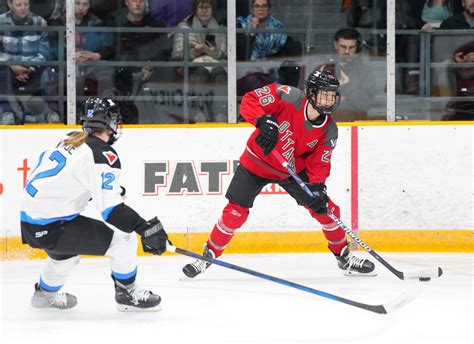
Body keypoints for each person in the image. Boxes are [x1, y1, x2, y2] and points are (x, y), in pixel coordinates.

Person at [182, 70, 376, 279]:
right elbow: (250, 99)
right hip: (256, 162)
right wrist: (263, 120)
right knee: (235, 214)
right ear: (310, 92)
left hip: (290, 170)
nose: (328, 100)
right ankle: (208, 255)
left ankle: (344, 257)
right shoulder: (287, 96)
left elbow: (319, 163)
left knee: (327, 210)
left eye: (332, 95)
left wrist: (318, 186)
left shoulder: (329, 130)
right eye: (323, 94)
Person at [20, 96, 169, 311]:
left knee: (65, 256)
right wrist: (144, 228)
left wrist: (103, 192)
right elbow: (112, 212)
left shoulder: (70, 138)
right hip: (53, 225)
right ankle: (127, 294)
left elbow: (69, 180)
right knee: (124, 240)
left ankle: (44, 296)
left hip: (30, 223)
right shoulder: (103, 154)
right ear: (109, 122)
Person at [0, 0, 58, 124]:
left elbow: (44, 51)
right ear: (10, 4)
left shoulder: (40, 22)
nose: (23, 8)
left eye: (26, 4)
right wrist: (12, 65)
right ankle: (8, 112)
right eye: (19, 4)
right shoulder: (0, 21)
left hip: (33, 67)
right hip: (9, 66)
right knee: (3, 71)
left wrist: (30, 68)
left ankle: (51, 113)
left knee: (49, 70)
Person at [171, 0, 227, 122]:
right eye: (201, 7)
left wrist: (212, 51)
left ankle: (220, 115)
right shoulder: (184, 26)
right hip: (193, 64)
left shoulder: (221, 28)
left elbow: (226, 54)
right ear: (195, 9)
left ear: (213, 9)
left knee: (220, 74)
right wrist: (194, 52)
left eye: (208, 7)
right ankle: (200, 113)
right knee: (201, 73)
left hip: (214, 63)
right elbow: (176, 54)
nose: (204, 10)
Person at [317, 27, 376, 121]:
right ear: (336, 45)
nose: (347, 51)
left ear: (357, 47)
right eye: (343, 47)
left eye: (351, 47)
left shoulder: (365, 71)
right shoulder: (322, 69)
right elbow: (314, 103)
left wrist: (347, 86)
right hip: (327, 124)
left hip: (357, 125)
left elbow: (366, 105)